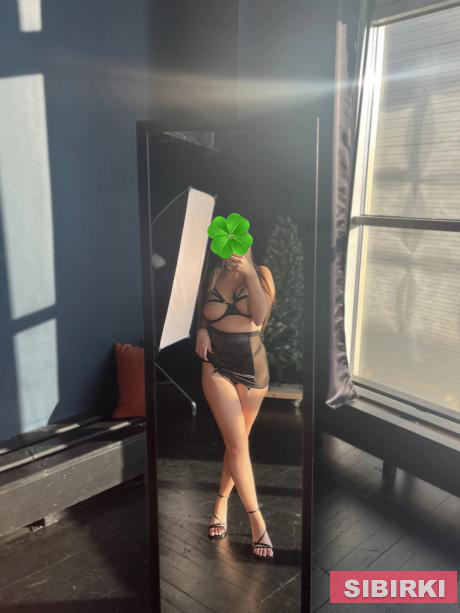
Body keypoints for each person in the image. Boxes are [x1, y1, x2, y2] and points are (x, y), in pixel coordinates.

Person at [195, 245, 276, 560]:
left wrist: (249, 274)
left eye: (238, 240)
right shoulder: (209, 275)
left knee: (236, 444)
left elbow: (260, 316)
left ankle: (221, 502)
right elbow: (192, 311)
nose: (232, 248)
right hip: (216, 364)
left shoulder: (261, 275)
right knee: (238, 445)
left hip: (253, 367)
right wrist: (201, 330)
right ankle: (257, 521)